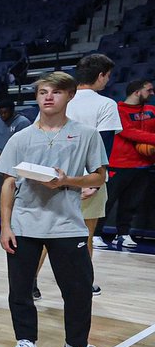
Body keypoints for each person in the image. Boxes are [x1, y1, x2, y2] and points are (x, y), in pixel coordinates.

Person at [0, 71, 112, 347]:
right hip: (24, 224)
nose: (48, 97)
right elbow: (9, 183)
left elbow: (99, 176)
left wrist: (67, 180)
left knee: (77, 289)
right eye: (43, 92)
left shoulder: (86, 134)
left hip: (67, 224)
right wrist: (5, 226)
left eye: (56, 92)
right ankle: (25, 341)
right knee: (19, 290)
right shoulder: (20, 137)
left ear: (70, 96)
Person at [66, 53, 121, 262]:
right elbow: (103, 146)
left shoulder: (60, 100)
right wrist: (95, 182)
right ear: (100, 75)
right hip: (88, 178)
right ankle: (84, 284)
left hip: (57, 177)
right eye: (107, 76)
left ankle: (31, 283)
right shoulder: (106, 104)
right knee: (85, 237)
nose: (107, 80)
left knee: (47, 236)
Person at [103, 80, 155, 248]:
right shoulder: (117, 110)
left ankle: (124, 234)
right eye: (149, 90)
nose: (152, 93)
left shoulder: (152, 111)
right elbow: (127, 131)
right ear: (137, 92)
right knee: (107, 201)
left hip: (142, 165)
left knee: (131, 203)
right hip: (119, 164)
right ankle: (96, 233)